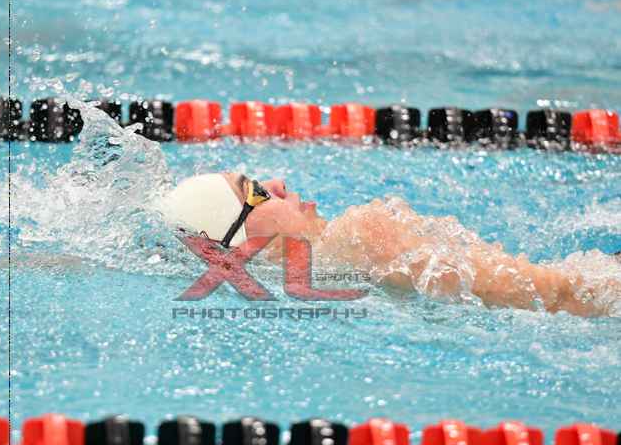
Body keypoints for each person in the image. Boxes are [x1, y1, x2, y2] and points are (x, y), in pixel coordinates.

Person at [158, 172, 620, 317]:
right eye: (257, 191)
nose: (277, 182)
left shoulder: (303, 290)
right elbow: (558, 293)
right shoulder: (364, 232)